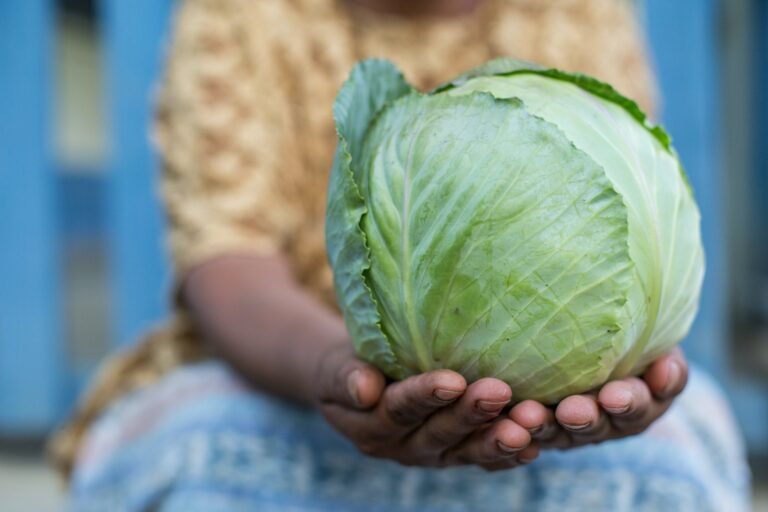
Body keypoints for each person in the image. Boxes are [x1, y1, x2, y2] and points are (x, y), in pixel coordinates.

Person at [53, 0, 750, 510]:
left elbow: (631, 189)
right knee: (193, 438)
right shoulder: (239, 15)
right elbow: (226, 259)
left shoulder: (577, 9)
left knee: (684, 443)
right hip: (287, 381)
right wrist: (339, 368)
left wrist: (617, 352)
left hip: (539, 399)